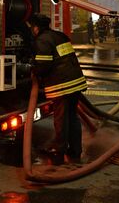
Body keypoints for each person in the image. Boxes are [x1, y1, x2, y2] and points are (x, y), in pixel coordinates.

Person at [28, 13, 87, 165]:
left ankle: (58, 152)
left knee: (60, 119)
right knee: (72, 117)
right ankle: (75, 150)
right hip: (75, 81)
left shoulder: (42, 40)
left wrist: (31, 69)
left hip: (61, 85)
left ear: (36, 28)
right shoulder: (59, 35)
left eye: (31, 27)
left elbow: (43, 65)